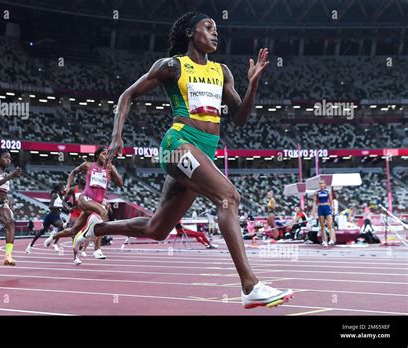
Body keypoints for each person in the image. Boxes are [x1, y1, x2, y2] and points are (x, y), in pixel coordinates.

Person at [73, 12, 293, 309]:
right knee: (229, 197)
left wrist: (252, 86)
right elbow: (127, 95)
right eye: (209, 27)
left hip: (202, 152)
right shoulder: (173, 66)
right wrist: (116, 137)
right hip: (177, 145)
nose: (216, 33)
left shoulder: (222, 71)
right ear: (191, 33)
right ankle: (250, 285)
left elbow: (240, 118)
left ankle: (96, 229)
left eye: (217, 29)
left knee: (157, 229)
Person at [64, 148, 123, 265]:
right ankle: (97, 249)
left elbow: (120, 184)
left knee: (74, 230)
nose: (106, 156)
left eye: (108, 155)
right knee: (104, 213)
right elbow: (73, 172)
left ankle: (72, 241)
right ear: (97, 155)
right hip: (85, 198)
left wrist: (114, 170)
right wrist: (67, 186)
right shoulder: (88, 165)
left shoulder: (110, 168)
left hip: (96, 203)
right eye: (103, 153)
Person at [26, 184, 66, 254]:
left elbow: (63, 205)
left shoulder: (62, 197)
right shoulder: (55, 195)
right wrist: (61, 207)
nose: (64, 190)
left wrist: (68, 208)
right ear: (59, 190)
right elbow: (50, 206)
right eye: (63, 189)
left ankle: (54, 242)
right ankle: (30, 245)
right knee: (42, 232)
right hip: (50, 216)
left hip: (57, 216)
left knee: (61, 227)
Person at [312, 180, 335, 247]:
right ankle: (325, 241)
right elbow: (314, 202)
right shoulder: (316, 192)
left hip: (327, 207)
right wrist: (314, 211)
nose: (321, 184)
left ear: (325, 184)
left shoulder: (328, 191)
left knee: (330, 225)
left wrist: (333, 209)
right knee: (322, 226)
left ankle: (331, 240)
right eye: (320, 183)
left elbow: (331, 201)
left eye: (322, 183)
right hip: (320, 208)